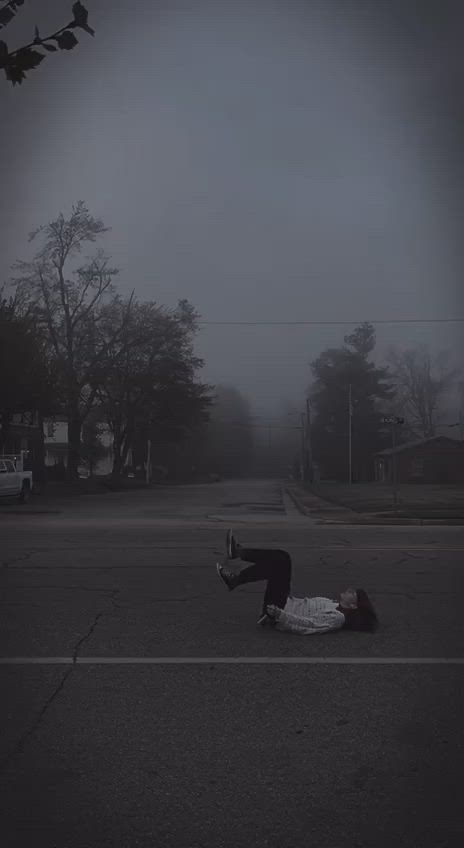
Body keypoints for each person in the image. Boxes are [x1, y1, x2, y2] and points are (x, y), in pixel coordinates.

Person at [216, 529, 378, 634]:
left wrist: (280, 615)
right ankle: (236, 569)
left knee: (283, 559)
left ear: (353, 605)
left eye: (353, 594)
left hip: (279, 609)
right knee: (278, 562)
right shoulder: (334, 605)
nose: (349, 590)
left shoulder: (338, 617)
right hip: (282, 602)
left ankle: (237, 559)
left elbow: (309, 625)